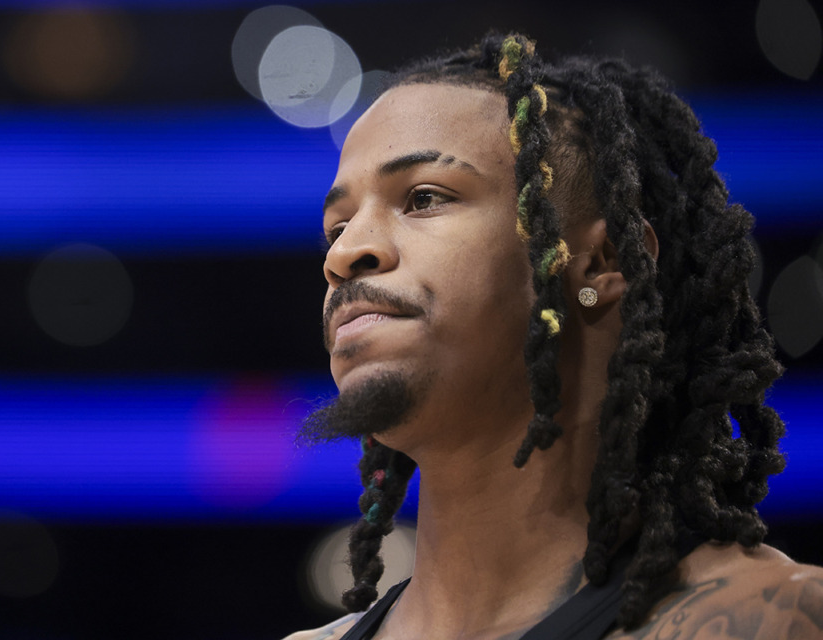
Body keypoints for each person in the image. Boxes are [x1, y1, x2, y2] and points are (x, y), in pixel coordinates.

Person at [286, 32, 823, 640]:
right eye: (337, 226)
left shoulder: (772, 621)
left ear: (601, 264)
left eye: (423, 198)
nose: (345, 254)